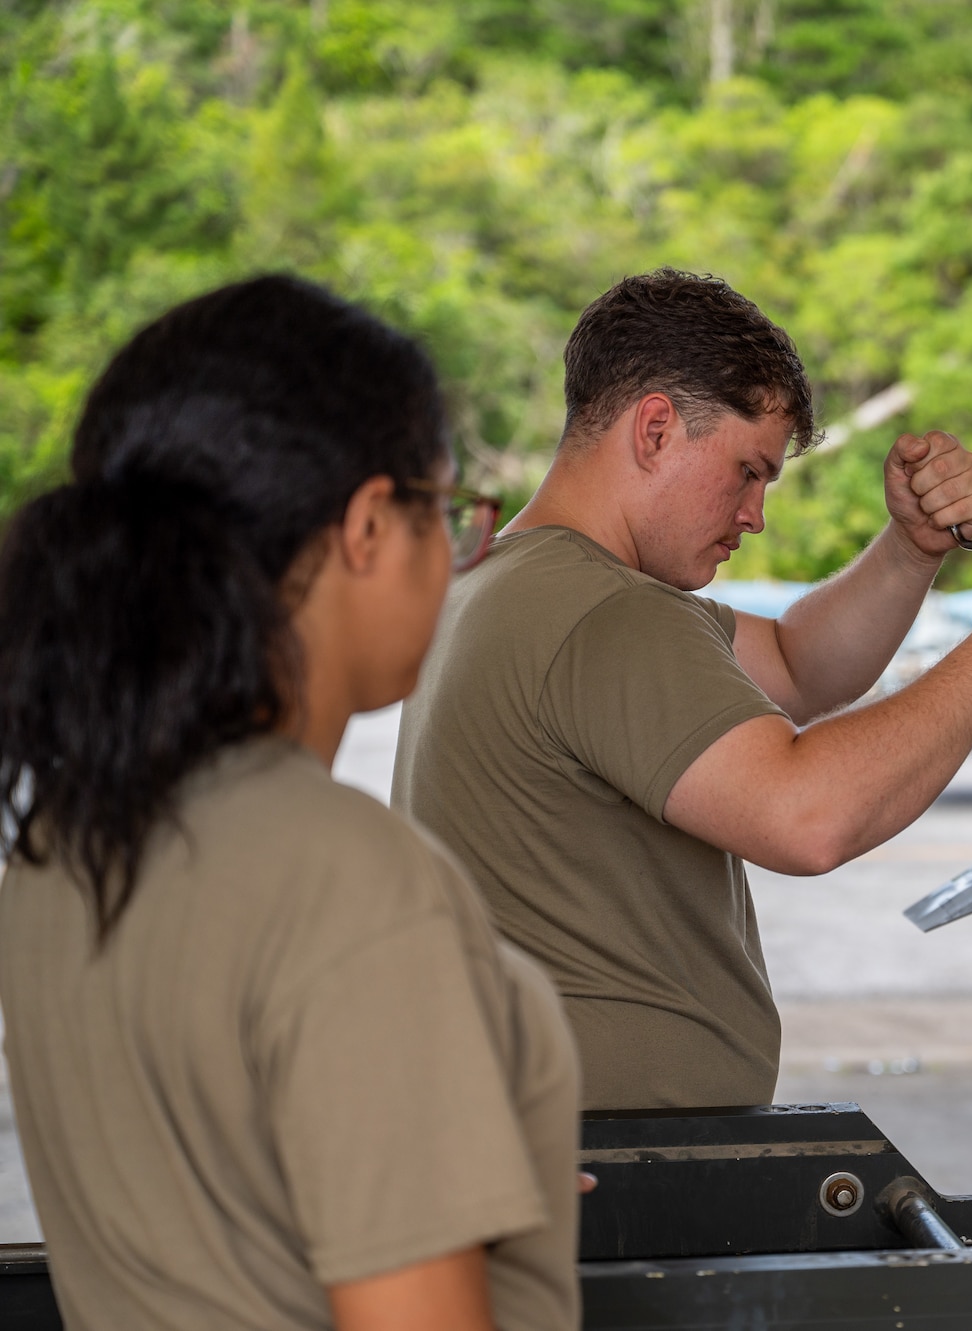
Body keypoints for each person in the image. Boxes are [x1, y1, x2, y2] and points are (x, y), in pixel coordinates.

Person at [0, 276, 578, 1330]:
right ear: (367, 523)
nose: (460, 551)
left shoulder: (61, 837)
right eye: (448, 513)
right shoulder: (345, 873)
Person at [394, 269, 972, 1111]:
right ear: (655, 428)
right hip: (604, 1167)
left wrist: (911, 550)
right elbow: (805, 816)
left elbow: (800, 665)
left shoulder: (507, 580)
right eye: (746, 470)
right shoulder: (605, 616)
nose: (755, 513)